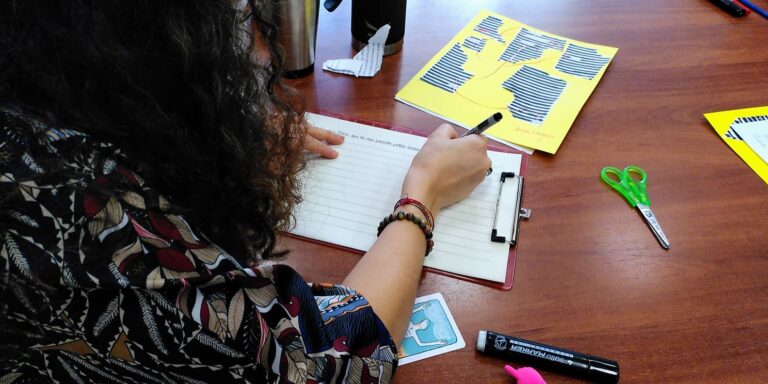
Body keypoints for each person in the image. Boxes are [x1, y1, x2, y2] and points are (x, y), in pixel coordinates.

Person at [0, 1, 490, 383]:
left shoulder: (34, 105)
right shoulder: (94, 214)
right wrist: (423, 195)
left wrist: (213, 138)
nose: (255, 54)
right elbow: (322, 361)